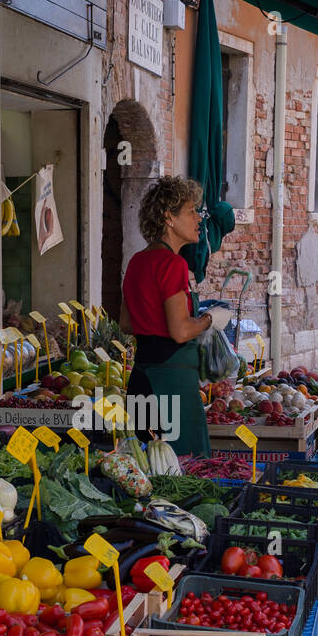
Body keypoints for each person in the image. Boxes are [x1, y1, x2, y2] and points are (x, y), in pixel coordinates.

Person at [120, 176, 231, 457]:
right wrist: (210, 319)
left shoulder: (137, 261)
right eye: (191, 211)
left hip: (141, 379)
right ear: (169, 217)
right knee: (185, 472)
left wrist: (156, 321)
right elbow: (180, 331)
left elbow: (126, 323)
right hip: (170, 386)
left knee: (150, 470)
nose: (198, 219)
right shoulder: (173, 264)